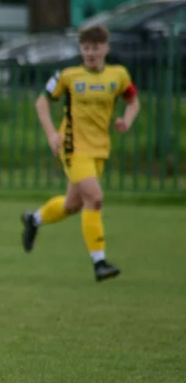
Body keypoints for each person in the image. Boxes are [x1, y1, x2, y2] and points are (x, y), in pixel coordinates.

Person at [20, 24, 140, 281]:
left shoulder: (118, 76)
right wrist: (52, 133)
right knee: (95, 198)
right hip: (73, 148)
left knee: (72, 205)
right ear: (80, 49)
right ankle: (100, 263)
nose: (90, 53)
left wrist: (126, 121)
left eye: (96, 48)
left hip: (100, 150)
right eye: (86, 48)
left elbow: (133, 100)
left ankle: (34, 219)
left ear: (106, 48)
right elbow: (42, 102)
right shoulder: (67, 76)